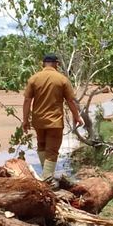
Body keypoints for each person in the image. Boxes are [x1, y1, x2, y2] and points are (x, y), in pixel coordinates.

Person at [22, 54, 84, 182]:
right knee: (52, 151)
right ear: (56, 64)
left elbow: (27, 100)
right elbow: (71, 101)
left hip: (38, 121)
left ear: (43, 64)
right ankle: (47, 179)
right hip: (54, 122)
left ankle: (46, 176)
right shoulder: (62, 79)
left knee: (41, 146)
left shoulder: (34, 79)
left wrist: (25, 120)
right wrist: (77, 116)